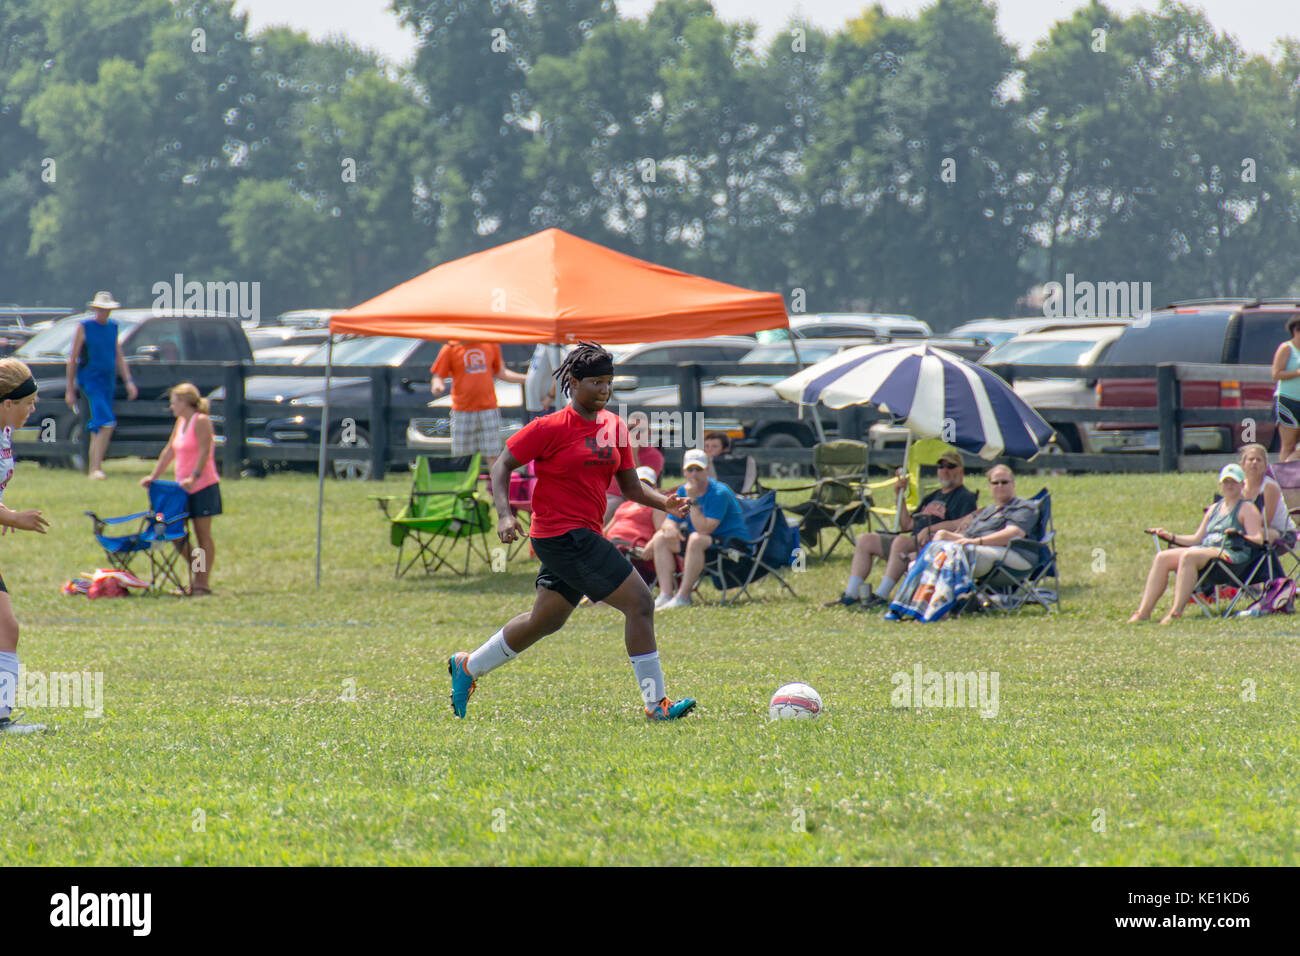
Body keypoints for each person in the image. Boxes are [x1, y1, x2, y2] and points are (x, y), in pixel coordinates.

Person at [448, 342, 697, 721]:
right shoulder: (548, 428)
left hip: (580, 535)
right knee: (641, 603)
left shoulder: (613, 426)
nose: (604, 390)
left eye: (608, 382)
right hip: (562, 536)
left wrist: (665, 502)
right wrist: (504, 515)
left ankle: (468, 667)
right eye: (595, 382)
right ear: (573, 383)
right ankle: (656, 705)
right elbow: (501, 467)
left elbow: (630, 486)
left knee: (545, 621)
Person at [827, 448, 978, 609]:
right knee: (866, 540)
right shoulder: (932, 496)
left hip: (933, 547)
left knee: (900, 542)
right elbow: (906, 525)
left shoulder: (964, 497)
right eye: (941, 466)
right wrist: (899, 495)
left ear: (960, 471)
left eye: (950, 466)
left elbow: (963, 523)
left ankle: (881, 596)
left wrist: (930, 529)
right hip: (912, 540)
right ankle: (851, 595)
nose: (945, 470)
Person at [1130, 464, 1264, 624]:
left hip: (1232, 557)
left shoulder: (1247, 509)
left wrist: (1238, 535)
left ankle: (1175, 613)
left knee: (1190, 555)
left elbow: (1258, 539)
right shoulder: (1214, 508)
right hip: (1207, 551)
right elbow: (1196, 539)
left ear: (1242, 485)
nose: (1229, 486)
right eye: (1226, 482)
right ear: (1220, 485)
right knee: (1162, 557)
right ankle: (1143, 612)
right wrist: (1170, 536)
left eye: (1234, 482)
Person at [0, 358, 52, 733]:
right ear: (6, 403)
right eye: (28, 403)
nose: (32, 410)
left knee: (6, 629)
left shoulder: (4, 432)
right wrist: (12, 518)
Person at [141, 383, 221, 596]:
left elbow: (205, 451)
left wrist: (194, 476)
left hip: (203, 485)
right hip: (180, 488)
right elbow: (169, 452)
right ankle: (198, 570)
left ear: (185, 402)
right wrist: (154, 476)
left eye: (174, 402)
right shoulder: (180, 422)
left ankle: (201, 582)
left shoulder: (201, 421)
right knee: (175, 533)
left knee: (202, 534)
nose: (172, 407)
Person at [644, 448, 747, 611]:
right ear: (684, 472)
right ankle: (666, 594)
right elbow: (670, 520)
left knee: (696, 539)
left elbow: (704, 528)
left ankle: (683, 596)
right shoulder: (682, 491)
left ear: (707, 471)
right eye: (690, 469)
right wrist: (669, 528)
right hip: (706, 542)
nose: (694, 474)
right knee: (660, 538)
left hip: (733, 544)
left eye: (698, 469)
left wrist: (693, 501)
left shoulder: (719, 492)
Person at [65, 291, 138, 480]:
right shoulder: (84, 327)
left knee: (100, 425)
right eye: (101, 309)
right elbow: (73, 359)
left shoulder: (113, 327)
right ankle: (96, 467)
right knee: (106, 422)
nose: (104, 313)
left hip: (108, 381)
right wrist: (70, 389)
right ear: (95, 309)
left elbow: (118, 355)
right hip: (90, 380)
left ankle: (94, 468)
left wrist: (128, 380)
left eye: (107, 310)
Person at [430, 341, 527, 476]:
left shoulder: (490, 344)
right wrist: (437, 385)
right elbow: (438, 375)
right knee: (462, 458)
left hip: (488, 409)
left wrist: (527, 379)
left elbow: (501, 372)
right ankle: (464, 491)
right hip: (462, 411)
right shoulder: (451, 347)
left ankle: (497, 494)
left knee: (493, 455)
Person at [929, 464, 1038, 578]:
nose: (1000, 486)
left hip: (1012, 552)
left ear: (1013, 484)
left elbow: (1013, 534)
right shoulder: (988, 511)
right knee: (942, 535)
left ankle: (948, 589)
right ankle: (924, 586)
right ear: (990, 486)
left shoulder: (1023, 507)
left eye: (1004, 482)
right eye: (995, 483)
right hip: (977, 546)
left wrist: (978, 541)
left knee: (964, 553)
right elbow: (967, 536)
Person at [1238, 443, 1294, 546]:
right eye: (1251, 459)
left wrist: (1240, 531)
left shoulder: (1269, 487)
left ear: (1265, 466)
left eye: (1258, 460)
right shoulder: (1239, 487)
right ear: (1243, 465)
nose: (1254, 462)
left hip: (1281, 533)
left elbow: (1266, 521)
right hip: (1251, 530)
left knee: (1254, 534)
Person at [1271, 315, 1300, 462]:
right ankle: (1284, 479)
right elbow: (1276, 373)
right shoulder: (1287, 348)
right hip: (1288, 401)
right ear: (1296, 330)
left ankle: (1291, 465)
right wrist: (1297, 373)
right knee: (1288, 445)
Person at [523, 343, 564, 423]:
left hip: (549, 407)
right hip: (539, 408)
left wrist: (550, 397)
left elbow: (561, 371)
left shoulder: (551, 342)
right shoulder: (542, 344)